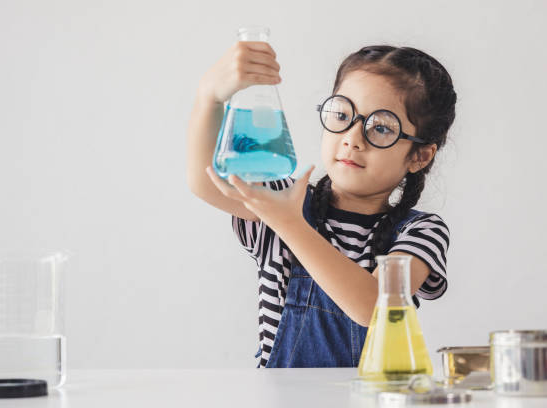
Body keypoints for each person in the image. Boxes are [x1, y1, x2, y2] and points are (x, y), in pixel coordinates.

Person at [186, 41, 456, 368]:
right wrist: (210, 95)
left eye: (381, 128)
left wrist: (289, 224)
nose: (352, 138)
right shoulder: (284, 201)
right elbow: (206, 180)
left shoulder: (420, 231)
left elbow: (374, 307)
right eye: (342, 114)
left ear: (420, 155)